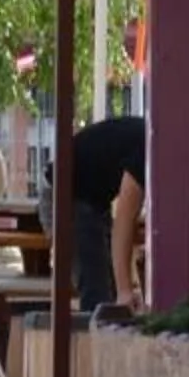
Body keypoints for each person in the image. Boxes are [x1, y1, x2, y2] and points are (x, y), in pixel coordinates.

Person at [68, 114, 145, 312]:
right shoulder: (149, 148)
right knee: (99, 297)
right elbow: (124, 221)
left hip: (90, 200)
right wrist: (125, 290)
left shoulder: (151, 138)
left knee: (108, 295)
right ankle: (93, 340)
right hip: (66, 194)